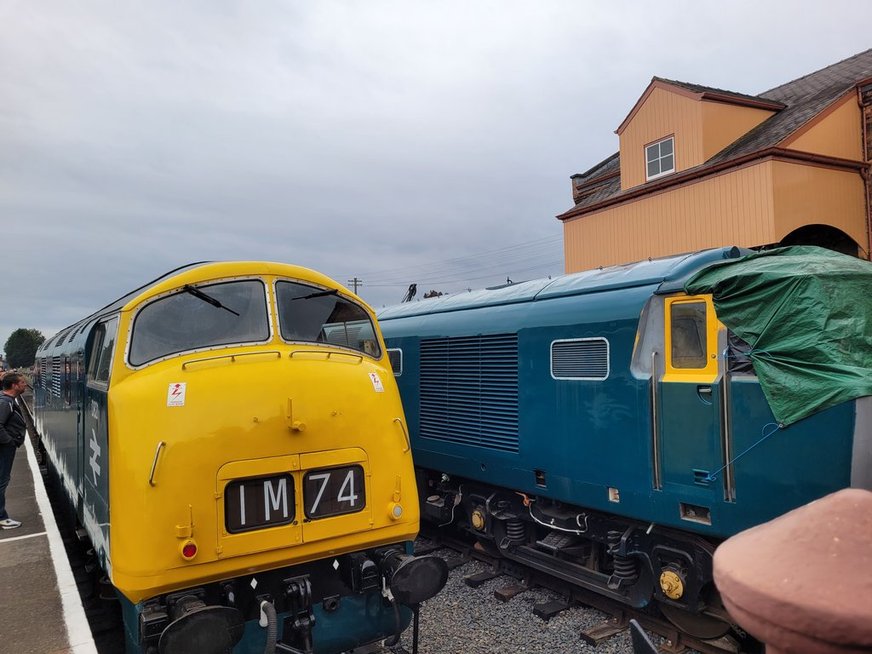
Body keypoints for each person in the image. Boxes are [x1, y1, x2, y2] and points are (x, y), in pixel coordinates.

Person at [0, 372, 28, 529]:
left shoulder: (7, 400)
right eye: (22, 382)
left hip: (5, 448)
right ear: (14, 386)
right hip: (4, 449)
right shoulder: (5, 403)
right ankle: (2, 518)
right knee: (2, 481)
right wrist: (9, 442)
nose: (25, 384)